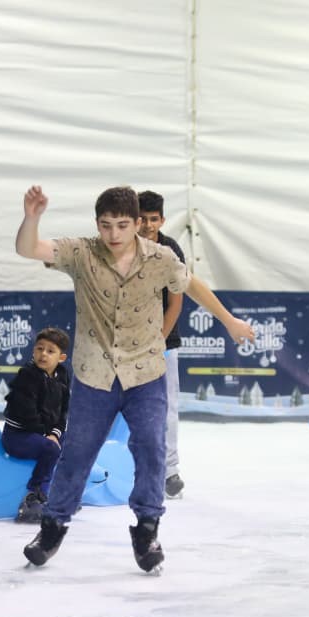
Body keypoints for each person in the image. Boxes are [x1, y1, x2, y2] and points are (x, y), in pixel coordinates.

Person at [15, 185, 255, 572]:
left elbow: (190, 284)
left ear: (138, 224)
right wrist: (32, 217)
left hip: (145, 372)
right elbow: (29, 249)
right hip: (96, 374)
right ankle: (52, 526)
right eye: (106, 225)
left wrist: (229, 322)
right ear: (97, 224)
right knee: (76, 453)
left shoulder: (160, 257)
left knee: (151, 449)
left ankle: (147, 529)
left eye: (122, 225)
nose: (113, 234)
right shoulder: (82, 253)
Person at [137, 190, 187, 498]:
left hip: (164, 343)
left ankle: (170, 472)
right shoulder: (122, 246)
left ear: (162, 220)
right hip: (125, 344)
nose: (147, 225)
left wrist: (158, 341)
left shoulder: (171, 250)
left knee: (168, 407)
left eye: (153, 219)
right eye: (142, 219)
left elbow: (176, 304)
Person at [2, 327, 71, 523]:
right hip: (18, 436)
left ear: (61, 357)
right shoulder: (27, 376)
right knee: (50, 448)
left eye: (50, 351)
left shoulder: (62, 376)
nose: (43, 354)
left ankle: (60, 491)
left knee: (70, 443)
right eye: (39, 349)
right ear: (33, 351)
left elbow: (63, 411)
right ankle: (35, 495)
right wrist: (46, 436)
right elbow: (26, 414)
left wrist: (55, 434)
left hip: (43, 433)